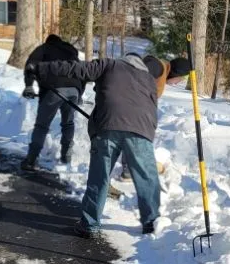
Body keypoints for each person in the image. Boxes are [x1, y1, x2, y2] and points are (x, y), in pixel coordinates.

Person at [26, 52, 190, 238]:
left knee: (99, 176)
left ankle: (89, 225)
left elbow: (76, 69)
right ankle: (151, 224)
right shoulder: (149, 79)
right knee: (147, 177)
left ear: (124, 59)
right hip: (141, 129)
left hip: (108, 126)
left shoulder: (109, 65)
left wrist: (41, 69)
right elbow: (148, 105)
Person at [119, 56, 190, 180]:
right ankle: (130, 170)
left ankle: (132, 168)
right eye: (180, 78)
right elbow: (138, 72)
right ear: (176, 73)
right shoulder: (158, 66)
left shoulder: (161, 73)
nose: (178, 82)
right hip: (131, 108)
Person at [22, 34, 84, 170]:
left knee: (42, 126)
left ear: (48, 41)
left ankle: (31, 160)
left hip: (53, 89)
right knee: (68, 123)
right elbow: (83, 72)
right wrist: (79, 93)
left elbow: (31, 66)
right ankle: (66, 156)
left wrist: (29, 86)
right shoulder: (71, 52)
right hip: (74, 89)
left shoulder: (45, 48)